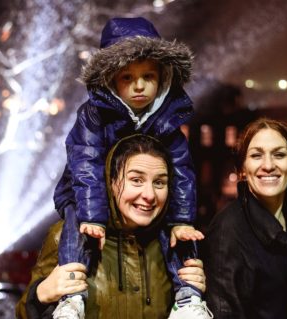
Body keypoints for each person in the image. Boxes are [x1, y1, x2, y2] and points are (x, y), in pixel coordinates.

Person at [53, 17, 208, 318]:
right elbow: (85, 163)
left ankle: (188, 297)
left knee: (181, 232)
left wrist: (181, 219)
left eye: (148, 76)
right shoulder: (94, 115)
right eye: (127, 78)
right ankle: (72, 296)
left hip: (137, 212)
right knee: (77, 224)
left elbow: (182, 174)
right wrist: (93, 216)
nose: (139, 85)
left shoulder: (168, 121)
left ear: (162, 78)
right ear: (111, 79)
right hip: (85, 194)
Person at [16, 134, 212, 319]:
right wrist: (40, 295)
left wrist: (201, 290)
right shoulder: (68, 236)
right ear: (111, 182)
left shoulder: (176, 245)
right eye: (136, 180)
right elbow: (22, 313)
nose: (150, 195)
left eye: (159, 183)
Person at [203, 118, 287, 319]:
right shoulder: (227, 232)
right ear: (243, 169)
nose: (268, 165)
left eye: (279, 155)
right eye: (256, 155)